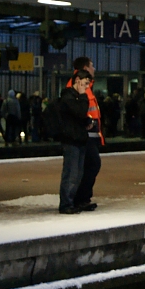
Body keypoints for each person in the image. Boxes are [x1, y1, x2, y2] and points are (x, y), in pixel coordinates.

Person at [67, 57, 104, 211]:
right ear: (85, 68)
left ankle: (82, 198)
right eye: (92, 65)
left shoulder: (85, 85)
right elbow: (78, 109)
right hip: (84, 134)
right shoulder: (78, 85)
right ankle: (80, 199)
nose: (94, 68)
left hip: (90, 134)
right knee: (91, 165)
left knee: (88, 165)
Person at [58, 69, 92, 214]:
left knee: (77, 173)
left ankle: (72, 201)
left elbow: (79, 115)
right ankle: (66, 204)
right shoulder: (68, 97)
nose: (86, 88)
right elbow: (79, 112)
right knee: (71, 173)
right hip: (72, 139)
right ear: (77, 80)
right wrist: (84, 96)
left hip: (79, 138)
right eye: (85, 84)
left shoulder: (73, 98)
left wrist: (87, 121)